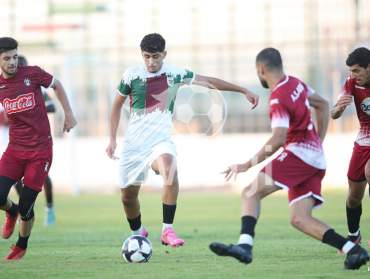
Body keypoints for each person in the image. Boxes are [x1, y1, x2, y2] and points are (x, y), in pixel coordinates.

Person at [209, 47, 369, 270]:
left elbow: (278, 138)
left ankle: (244, 245)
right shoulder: (296, 83)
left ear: (261, 70)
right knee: (299, 219)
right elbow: (322, 104)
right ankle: (353, 250)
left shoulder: (277, 98)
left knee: (250, 192)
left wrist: (246, 164)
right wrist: (317, 143)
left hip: (297, 157)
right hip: (314, 159)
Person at [106, 33, 259, 247]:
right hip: (134, 146)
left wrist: (243, 90)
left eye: (156, 57)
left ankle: (167, 229)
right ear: (142, 55)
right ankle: (138, 231)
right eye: (147, 57)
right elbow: (115, 106)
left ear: (164, 55)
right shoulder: (131, 75)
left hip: (160, 142)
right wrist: (112, 139)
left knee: (170, 167)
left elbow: (208, 82)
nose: (151, 62)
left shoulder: (175, 74)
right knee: (128, 198)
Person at [0, 37, 77, 260]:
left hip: (40, 151)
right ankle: (10, 211)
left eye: (15, 57)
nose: (12, 62)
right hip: (15, 150)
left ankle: (22, 244)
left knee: (27, 206)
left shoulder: (32, 74)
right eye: (7, 58)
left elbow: (57, 85)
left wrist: (69, 113)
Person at [331, 47, 370, 247]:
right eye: (350, 71)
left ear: (369, 67)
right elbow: (333, 114)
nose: (353, 76)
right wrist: (338, 108)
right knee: (354, 196)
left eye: (356, 71)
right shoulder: (350, 84)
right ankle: (354, 235)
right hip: (362, 142)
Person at [12, 54, 56, 226]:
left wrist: (33, 108)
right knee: (15, 179)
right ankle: (27, 210)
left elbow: (52, 107)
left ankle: (49, 208)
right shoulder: (5, 88)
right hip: (15, 141)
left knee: (43, 176)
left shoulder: (36, 87)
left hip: (38, 140)